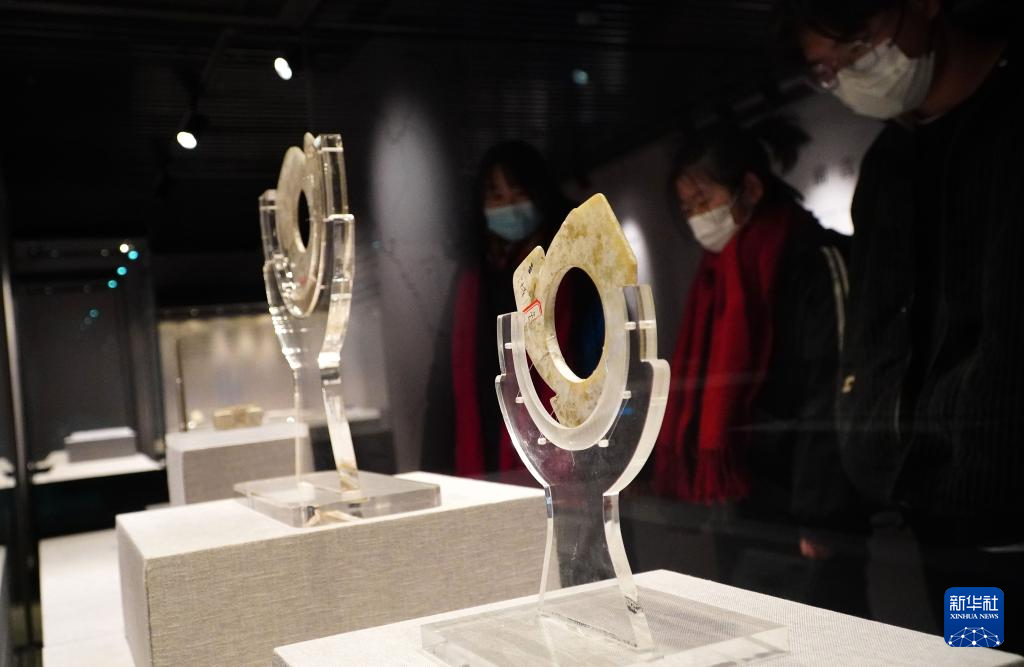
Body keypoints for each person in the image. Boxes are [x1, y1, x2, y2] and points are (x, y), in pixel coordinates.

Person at [784, 0, 1022, 645]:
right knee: (977, 650)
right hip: (941, 504)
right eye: (827, 69)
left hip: (998, 490)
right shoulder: (890, 161)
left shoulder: (1008, 122)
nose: (847, 73)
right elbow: (874, 333)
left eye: (856, 43)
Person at [653, 118, 867, 612]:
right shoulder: (718, 273)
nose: (697, 217)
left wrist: (820, 513)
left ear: (749, 187)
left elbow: (831, 386)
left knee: (833, 632)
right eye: (687, 207)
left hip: (807, 504)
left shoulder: (812, 256)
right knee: (760, 629)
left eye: (703, 199)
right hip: (749, 496)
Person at [421, 141, 601, 478]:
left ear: (541, 193)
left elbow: (600, 359)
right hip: (485, 441)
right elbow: (443, 377)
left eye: (517, 192)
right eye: (497, 196)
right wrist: (434, 465)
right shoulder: (471, 276)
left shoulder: (573, 267)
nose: (508, 205)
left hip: (562, 440)